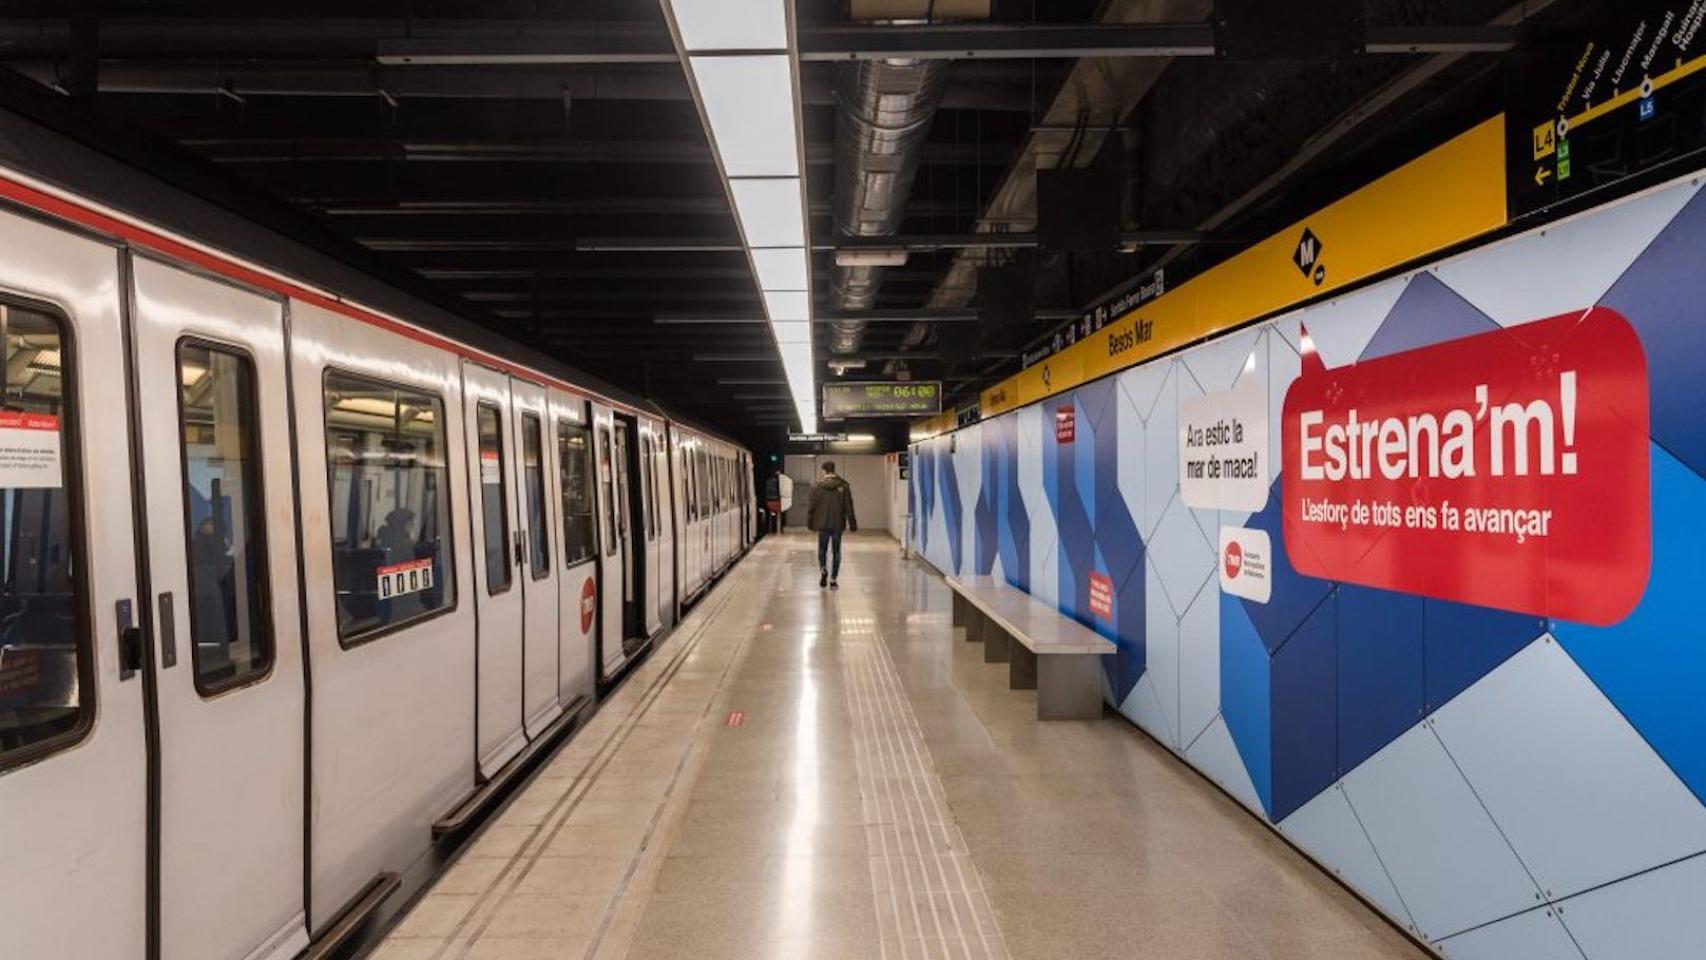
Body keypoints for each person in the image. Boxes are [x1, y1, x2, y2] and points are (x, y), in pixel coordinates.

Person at [806, 460, 856, 588]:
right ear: (834, 470)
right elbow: (849, 506)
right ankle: (833, 580)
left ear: (824, 470)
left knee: (822, 550)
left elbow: (811, 507)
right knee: (836, 551)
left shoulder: (816, 486)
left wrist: (810, 523)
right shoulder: (844, 486)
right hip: (837, 524)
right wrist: (852, 523)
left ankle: (823, 570)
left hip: (822, 524)